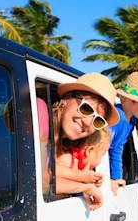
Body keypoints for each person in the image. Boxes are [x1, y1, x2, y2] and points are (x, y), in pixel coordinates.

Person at [37, 72, 119, 211]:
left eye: (97, 121)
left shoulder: (57, 143)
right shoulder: (39, 113)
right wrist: (83, 183)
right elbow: (40, 180)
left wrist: (86, 186)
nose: (88, 123)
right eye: (86, 108)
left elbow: (46, 176)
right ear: (66, 99)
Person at [56, 127, 111, 211]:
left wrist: (88, 182)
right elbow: (52, 175)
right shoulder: (68, 158)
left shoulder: (80, 166)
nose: (100, 161)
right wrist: (81, 177)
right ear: (89, 151)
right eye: (101, 155)